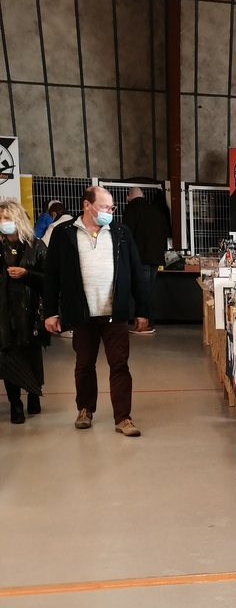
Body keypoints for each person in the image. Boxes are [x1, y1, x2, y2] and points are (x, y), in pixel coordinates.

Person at [43, 185, 149, 436]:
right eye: (104, 207)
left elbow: (137, 272)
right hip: (81, 313)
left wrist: (142, 309)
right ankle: (85, 409)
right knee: (84, 364)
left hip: (115, 312)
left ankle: (123, 417)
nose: (109, 212)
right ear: (87, 205)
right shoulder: (63, 233)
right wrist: (50, 311)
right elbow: (51, 276)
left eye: (111, 208)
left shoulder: (121, 233)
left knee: (119, 365)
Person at [0, 199, 48, 423]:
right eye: (0, 219)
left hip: (31, 313)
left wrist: (27, 274)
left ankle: (33, 394)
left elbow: (49, 280)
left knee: (32, 357)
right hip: (5, 312)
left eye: (7, 218)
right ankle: (15, 404)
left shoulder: (36, 246)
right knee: (9, 358)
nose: (3, 222)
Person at [122, 186, 168, 334]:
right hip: (156, 258)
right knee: (149, 290)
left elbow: (127, 235)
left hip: (140, 258)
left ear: (128, 197)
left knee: (141, 291)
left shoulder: (131, 210)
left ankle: (143, 324)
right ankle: (149, 321)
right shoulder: (155, 211)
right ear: (143, 196)